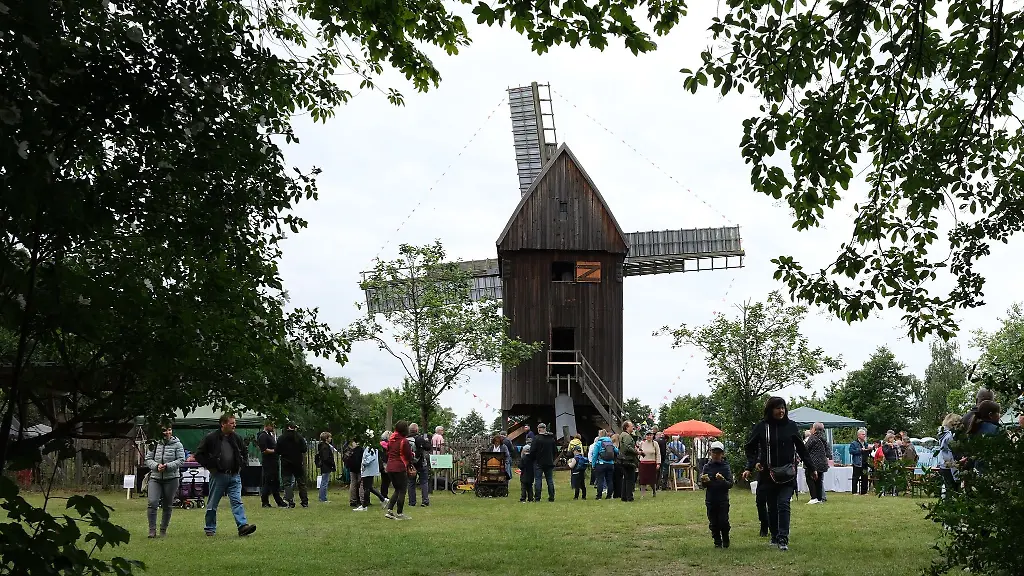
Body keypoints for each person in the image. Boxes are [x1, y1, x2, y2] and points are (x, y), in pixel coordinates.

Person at [742, 397, 816, 551]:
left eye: (783, 408)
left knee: (783, 503)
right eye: (777, 408)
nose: (781, 411)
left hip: (787, 473)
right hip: (767, 474)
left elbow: (801, 449)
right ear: (770, 409)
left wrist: (811, 467)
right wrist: (751, 464)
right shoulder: (762, 427)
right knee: (772, 507)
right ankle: (775, 536)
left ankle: (783, 538)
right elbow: (750, 447)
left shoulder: (791, 426)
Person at [194, 413, 256, 537]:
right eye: (232, 423)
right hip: (218, 475)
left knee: (237, 501)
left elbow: (244, 452)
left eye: (235, 423)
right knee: (213, 503)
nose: (234, 425)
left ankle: (242, 526)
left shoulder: (237, 438)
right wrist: (211, 466)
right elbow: (199, 454)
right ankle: (210, 528)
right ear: (223, 424)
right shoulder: (211, 438)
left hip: (234, 475)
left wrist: (241, 465)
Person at [144, 424, 185, 538]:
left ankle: (163, 530)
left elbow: (181, 460)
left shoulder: (178, 444)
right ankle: (152, 530)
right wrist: (156, 466)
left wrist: (167, 466)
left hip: (171, 478)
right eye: (164, 430)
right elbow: (148, 459)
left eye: (169, 430)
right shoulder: (154, 444)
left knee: (167, 505)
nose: (167, 432)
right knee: (152, 502)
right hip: (155, 478)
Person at [700, 441, 733, 548]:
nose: (716, 455)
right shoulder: (707, 467)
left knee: (723, 521)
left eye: (718, 453)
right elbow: (704, 486)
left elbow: (730, 484)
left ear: (722, 454)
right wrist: (705, 481)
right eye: (714, 452)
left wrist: (723, 480)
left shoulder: (725, 467)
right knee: (713, 521)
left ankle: (726, 539)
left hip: (723, 499)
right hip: (710, 499)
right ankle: (717, 542)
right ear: (710, 453)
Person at [383, 420, 415, 520]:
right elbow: (408, 455)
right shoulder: (404, 441)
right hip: (399, 467)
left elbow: (388, 452)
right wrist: (412, 457)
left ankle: (389, 510)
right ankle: (399, 513)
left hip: (390, 467)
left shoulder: (391, 439)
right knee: (402, 490)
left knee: (397, 489)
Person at [276, 422, 308, 508]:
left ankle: (290, 501)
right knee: (301, 482)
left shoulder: (281, 438)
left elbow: (277, 451)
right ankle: (304, 501)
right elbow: (304, 449)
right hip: (297, 462)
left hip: (286, 463)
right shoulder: (299, 437)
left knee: (287, 483)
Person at [256, 421, 286, 508]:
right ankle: (265, 501)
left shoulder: (270, 435)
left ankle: (279, 501)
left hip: (273, 461)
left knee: (275, 482)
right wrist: (275, 451)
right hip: (268, 462)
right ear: (267, 426)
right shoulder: (263, 436)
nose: (273, 427)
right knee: (268, 482)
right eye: (272, 426)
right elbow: (264, 449)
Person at [804, 422, 831, 504]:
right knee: (819, 481)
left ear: (814, 429)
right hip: (822, 463)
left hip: (813, 463)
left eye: (812, 428)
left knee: (810, 479)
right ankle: (819, 498)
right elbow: (828, 451)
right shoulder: (824, 438)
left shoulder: (812, 438)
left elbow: (805, 449)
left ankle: (814, 497)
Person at [406, 423, 431, 507]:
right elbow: (428, 447)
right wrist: (426, 441)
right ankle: (425, 501)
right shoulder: (419, 438)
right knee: (423, 482)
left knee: (411, 483)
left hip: (410, 463)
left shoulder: (406, 439)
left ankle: (412, 502)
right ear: (417, 430)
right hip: (420, 463)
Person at [532, 423, 557, 502]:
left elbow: (532, 451)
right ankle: (551, 497)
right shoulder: (551, 439)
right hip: (549, 462)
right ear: (545, 428)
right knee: (550, 480)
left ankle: (537, 498)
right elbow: (555, 451)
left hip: (538, 462)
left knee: (538, 480)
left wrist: (533, 458)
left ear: (539, 429)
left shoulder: (536, 438)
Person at [936, 414, 960, 496]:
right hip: (950, 466)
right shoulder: (950, 436)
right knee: (954, 491)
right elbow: (951, 454)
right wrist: (956, 474)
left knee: (948, 489)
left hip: (943, 465)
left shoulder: (942, 435)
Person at [589, 429, 616, 499]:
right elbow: (617, 451)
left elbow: (595, 455)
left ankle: (599, 496)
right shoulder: (610, 442)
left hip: (601, 464)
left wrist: (593, 464)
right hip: (610, 464)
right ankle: (609, 495)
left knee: (600, 480)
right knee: (609, 480)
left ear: (599, 435)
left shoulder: (598, 443)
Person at [617, 421, 639, 502]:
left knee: (626, 478)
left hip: (623, 459)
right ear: (627, 427)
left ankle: (624, 496)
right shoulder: (626, 436)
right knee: (630, 479)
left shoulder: (622, 435)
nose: (632, 427)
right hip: (628, 459)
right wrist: (637, 452)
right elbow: (627, 447)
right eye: (631, 426)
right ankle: (629, 497)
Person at [637, 430, 661, 497]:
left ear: (653, 436)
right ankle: (642, 494)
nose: (649, 436)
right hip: (643, 463)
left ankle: (654, 492)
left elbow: (658, 454)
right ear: (645, 436)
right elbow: (639, 452)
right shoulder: (642, 443)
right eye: (647, 435)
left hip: (652, 463)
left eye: (650, 435)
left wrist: (658, 463)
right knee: (643, 479)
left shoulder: (655, 443)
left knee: (652, 479)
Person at [848, 428, 870, 495]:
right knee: (855, 478)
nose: (864, 436)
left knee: (865, 478)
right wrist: (860, 450)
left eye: (865, 434)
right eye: (863, 434)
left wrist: (870, 449)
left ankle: (864, 492)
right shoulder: (854, 443)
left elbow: (868, 452)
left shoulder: (866, 444)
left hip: (865, 463)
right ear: (858, 435)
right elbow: (851, 451)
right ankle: (854, 492)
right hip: (857, 463)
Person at [316, 432, 336, 503]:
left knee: (324, 481)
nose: (331, 438)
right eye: (329, 437)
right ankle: (322, 498)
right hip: (326, 466)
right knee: (324, 482)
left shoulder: (324, 446)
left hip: (325, 466)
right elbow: (326, 458)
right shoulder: (325, 447)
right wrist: (331, 463)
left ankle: (322, 497)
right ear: (326, 438)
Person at [519, 438, 535, 503]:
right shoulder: (532, 458)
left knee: (523, 487)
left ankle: (523, 498)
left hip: (524, 475)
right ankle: (530, 498)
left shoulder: (523, 458)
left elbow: (520, 466)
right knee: (530, 487)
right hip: (531, 475)